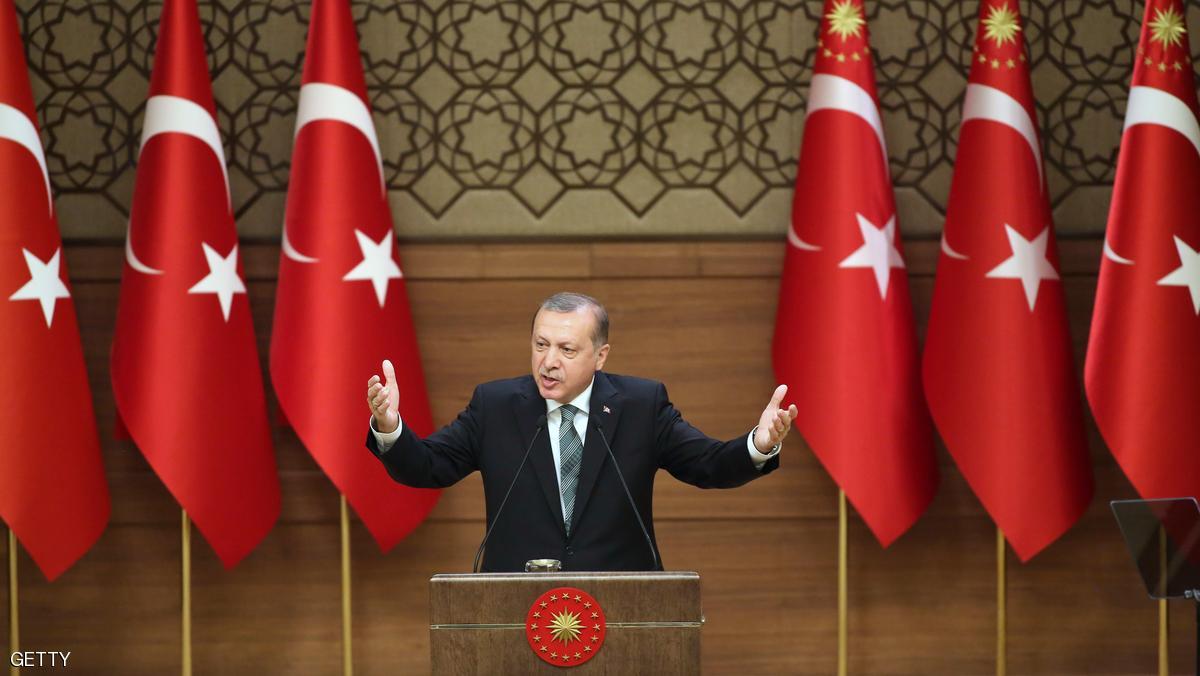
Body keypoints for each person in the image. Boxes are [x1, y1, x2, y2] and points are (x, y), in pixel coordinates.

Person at [365, 292, 798, 571]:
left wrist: (760, 444)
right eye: (540, 344)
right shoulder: (495, 406)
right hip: (513, 607)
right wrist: (390, 428)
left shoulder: (641, 407)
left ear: (601, 355)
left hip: (622, 606)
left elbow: (709, 465)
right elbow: (426, 467)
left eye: (566, 349)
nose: (548, 361)